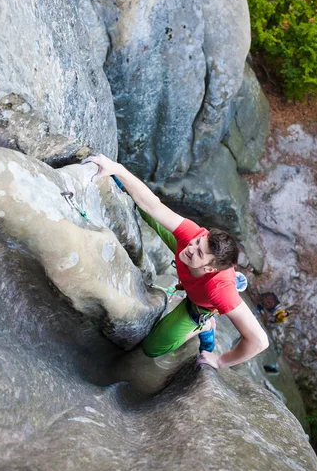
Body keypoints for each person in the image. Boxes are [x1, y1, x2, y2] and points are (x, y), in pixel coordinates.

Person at [83, 154, 269, 369]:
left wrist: (220, 361)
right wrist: (117, 170)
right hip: (196, 271)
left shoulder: (219, 291)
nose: (191, 248)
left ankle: (205, 326)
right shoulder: (191, 238)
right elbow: (153, 205)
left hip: (199, 303)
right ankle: (123, 182)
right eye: (199, 242)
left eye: (199, 252)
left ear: (210, 267)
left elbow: (259, 341)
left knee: (152, 348)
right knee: (148, 211)